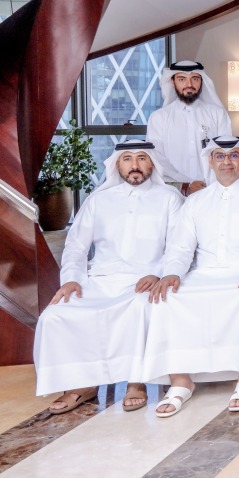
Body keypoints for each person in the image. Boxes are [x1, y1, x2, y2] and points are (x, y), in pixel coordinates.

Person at [33, 140, 183, 413]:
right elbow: (76, 246)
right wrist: (71, 279)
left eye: (141, 158)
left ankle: (136, 382)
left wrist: (158, 273)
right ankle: (80, 385)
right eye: (127, 159)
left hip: (143, 281)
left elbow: (179, 247)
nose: (135, 165)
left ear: (153, 163)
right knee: (55, 315)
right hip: (98, 280)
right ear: (117, 164)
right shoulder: (98, 200)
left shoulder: (170, 199)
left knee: (141, 308)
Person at [143, 136, 239, 417]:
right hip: (203, 273)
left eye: (233, 156)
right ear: (210, 161)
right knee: (165, 298)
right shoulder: (195, 201)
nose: (226, 162)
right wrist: (171, 274)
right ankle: (181, 381)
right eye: (220, 156)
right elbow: (181, 248)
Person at [146, 60, 232, 190]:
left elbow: (225, 152)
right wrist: (186, 184)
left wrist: (208, 182)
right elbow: (157, 156)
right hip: (174, 189)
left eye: (195, 79)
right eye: (182, 79)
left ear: (201, 81)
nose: (189, 84)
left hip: (212, 187)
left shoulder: (217, 114)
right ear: (173, 82)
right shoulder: (159, 117)